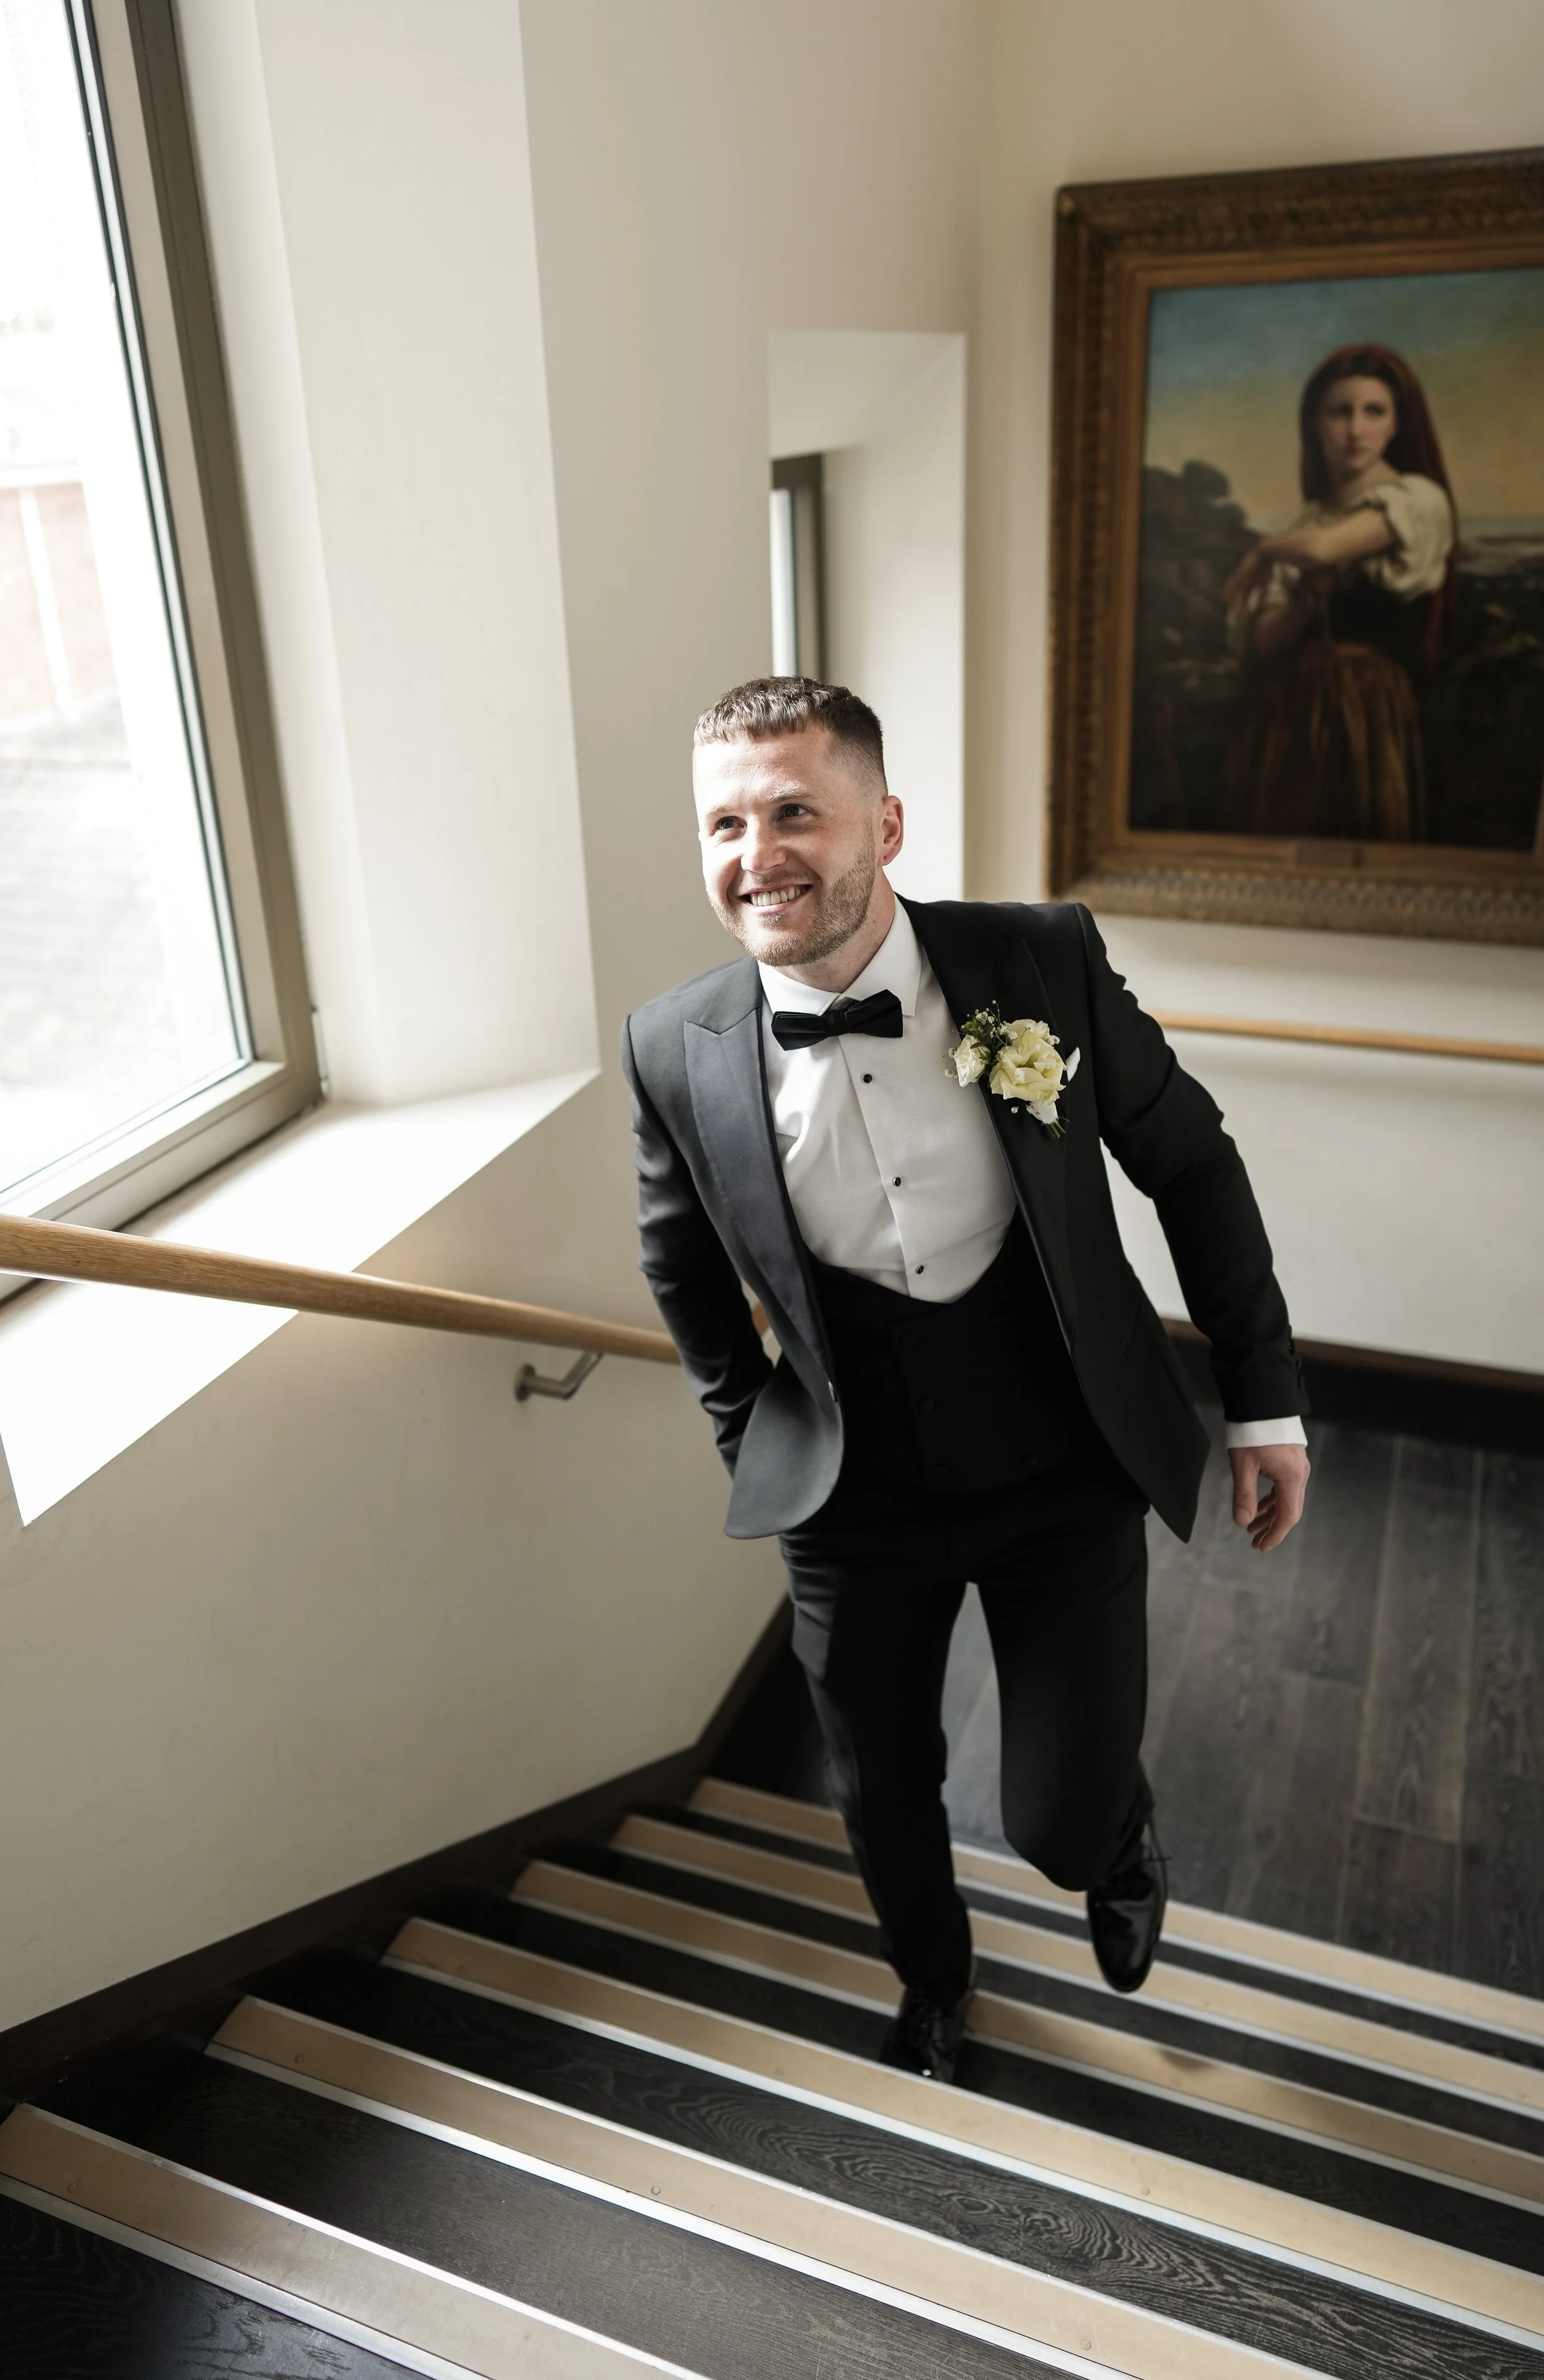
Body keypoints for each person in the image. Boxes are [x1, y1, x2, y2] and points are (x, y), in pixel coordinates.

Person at [622, 678, 1309, 2083]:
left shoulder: (1035, 961)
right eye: (724, 823)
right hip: (849, 1492)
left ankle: (1109, 1835)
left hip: (1061, 1462)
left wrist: (1262, 1400)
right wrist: (750, 1432)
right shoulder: (670, 1045)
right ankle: (935, 1985)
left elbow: (1190, 1163)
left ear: (883, 821)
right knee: (878, 1792)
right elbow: (679, 1265)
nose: (758, 855)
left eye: (794, 812)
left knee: (1053, 1821)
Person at [1222, 343, 1456, 843]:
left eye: (1374, 411)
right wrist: (1309, 601)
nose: (1356, 430)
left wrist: (1264, 552)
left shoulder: (1416, 501)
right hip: (1287, 711)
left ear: (1396, 424)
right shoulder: (1301, 523)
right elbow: (1265, 638)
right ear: (1315, 425)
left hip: (1368, 709)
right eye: (1338, 412)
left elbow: (1326, 549)